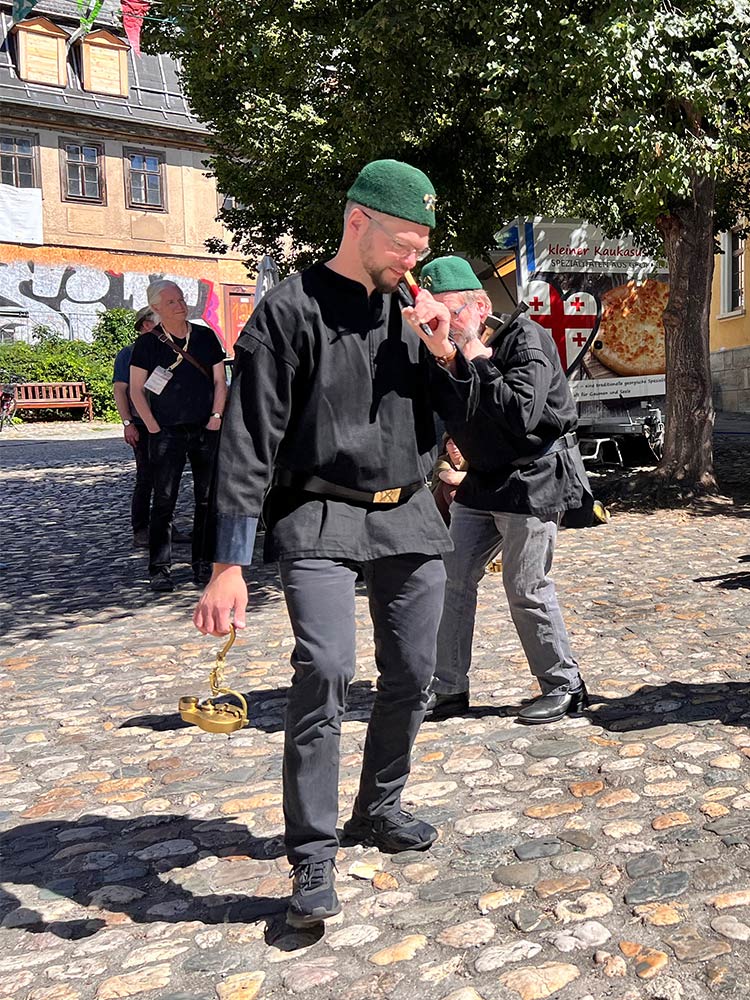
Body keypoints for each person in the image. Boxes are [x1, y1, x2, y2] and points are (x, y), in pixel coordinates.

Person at [194, 160, 464, 928]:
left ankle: (379, 806)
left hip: (409, 512)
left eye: (420, 245)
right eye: (403, 243)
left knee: (416, 671)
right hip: (318, 512)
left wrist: (446, 355)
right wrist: (228, 564)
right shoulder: (288, 311)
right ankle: (312, 852)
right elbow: (247, 442)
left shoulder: (413, 313)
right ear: (357, 222)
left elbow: (470, 423)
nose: (413, 260)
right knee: (325, 668)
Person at [419, 256, 591, 725]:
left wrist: (473, 354)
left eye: (453, 312)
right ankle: (448, 686)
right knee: (450, 576)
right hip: (484, 478)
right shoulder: (439, 351)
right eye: (435, 313)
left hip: (534, 476)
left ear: (479, 305)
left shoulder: (526, 339)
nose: (445, 323)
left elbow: (520, 415)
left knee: (525, 585)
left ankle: (565, 684)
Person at [129, 281, 227, 590]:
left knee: (207, 499)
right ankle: (160, 568)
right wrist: (152, 426)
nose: (179, 305)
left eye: (181, 299)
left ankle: (202, 564)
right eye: (170, 301)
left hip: (204, 428)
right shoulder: (148, 344)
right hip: (166, 432)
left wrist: (216, 417)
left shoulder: (205, 337)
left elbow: (219, 381)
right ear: (156, 308)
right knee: (165, 500)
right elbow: (135, 390)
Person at [114, 306, 158, 547]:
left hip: (169, 423)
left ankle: (165, 527)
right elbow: (120, 389)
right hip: (141, 423)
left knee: (168, 478)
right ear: (146, 325)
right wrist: (128, 422)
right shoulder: (128, 353)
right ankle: (140, 529)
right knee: (146, 477)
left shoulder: (166, 350)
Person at [432, 435, 467, 525]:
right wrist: (474, 477)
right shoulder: (441, 461)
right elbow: (450, 478)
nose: (454, 447)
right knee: (447, 484)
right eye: (450, 444)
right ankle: (462, 516)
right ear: (446, 448)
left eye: (456, 443)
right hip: (438, 505)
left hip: (465, 499)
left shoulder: (469, 461)